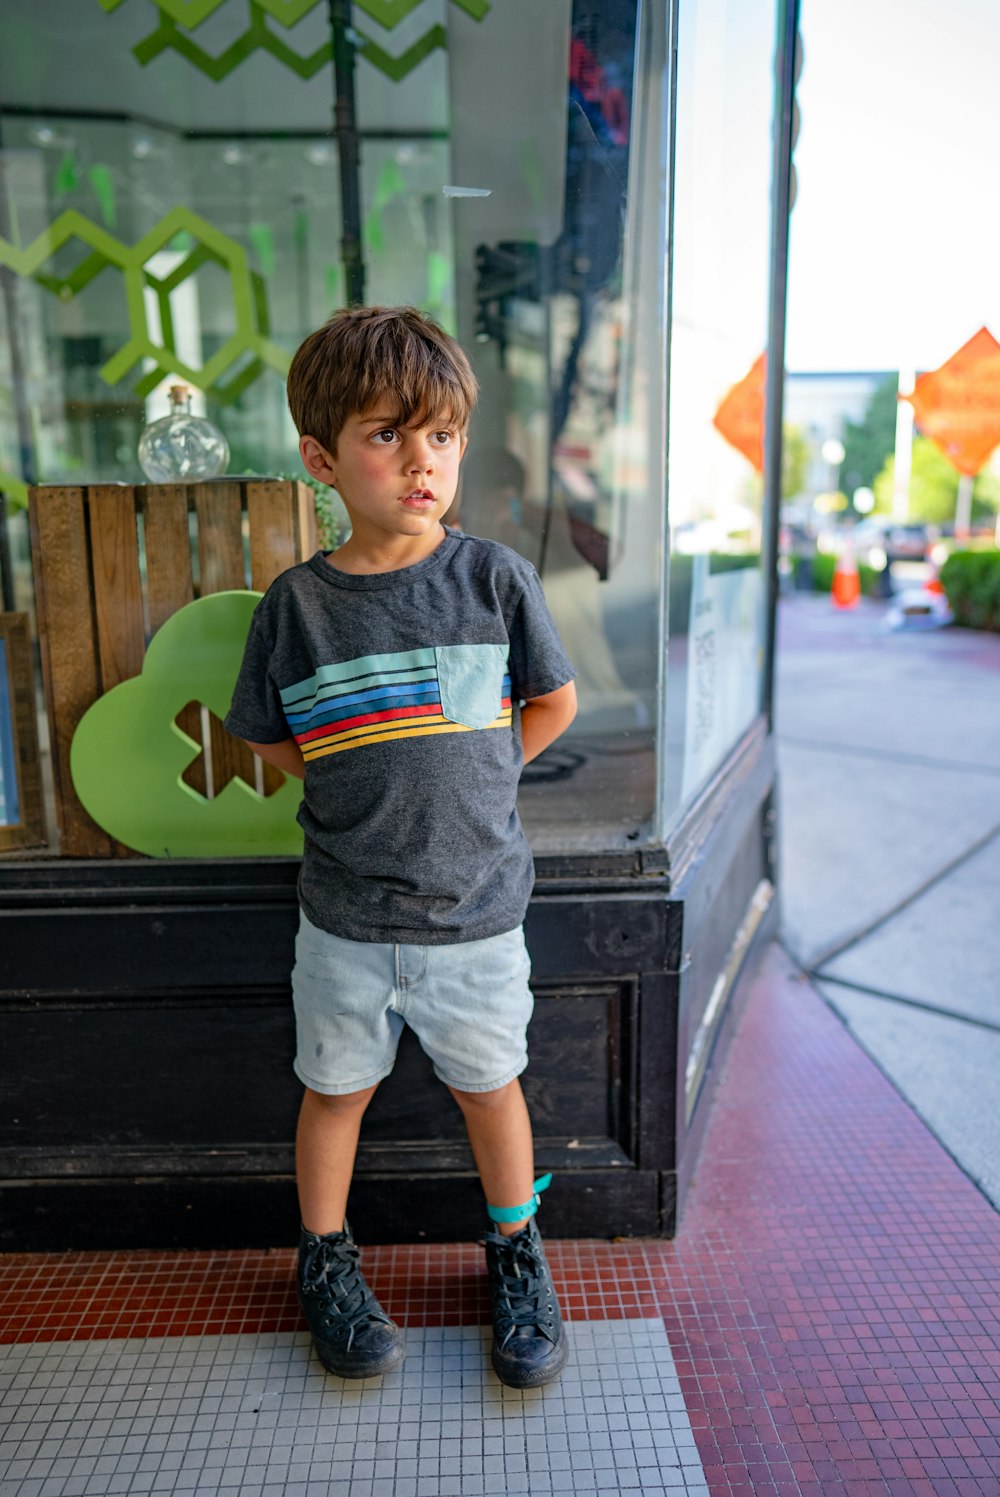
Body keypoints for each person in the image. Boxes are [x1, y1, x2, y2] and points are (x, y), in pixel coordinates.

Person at [225, 305, 578, 1389]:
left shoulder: (493, 581)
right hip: (344, 919)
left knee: (491, 1085)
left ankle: (516, 1252)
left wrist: (480, 780)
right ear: (322, 457)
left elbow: (551, 705)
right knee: (335, 1089)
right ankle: (324, 1258)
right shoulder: (298, 607)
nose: (419, 460)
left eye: (440, 437)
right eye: (386, 435)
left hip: (477, 913)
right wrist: (352, 791)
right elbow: (272, 741)